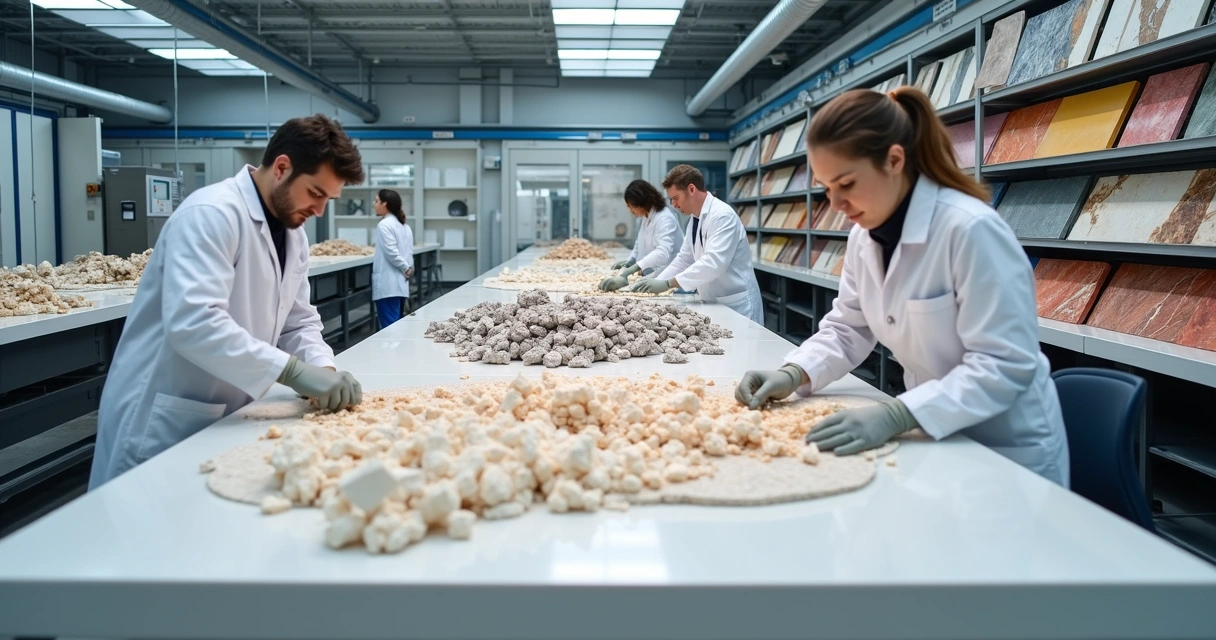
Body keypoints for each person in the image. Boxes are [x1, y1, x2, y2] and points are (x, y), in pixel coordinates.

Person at [735, 87, 1069, 487]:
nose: (836, 204)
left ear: (894, 160)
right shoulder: (865, 235)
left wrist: (899, 414)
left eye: (846, 183)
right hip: (933, 434)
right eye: (826, 187)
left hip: (1005, 447)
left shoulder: (970, 230)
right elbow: (848, 327)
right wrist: (793, 372)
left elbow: (1004, 364)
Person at [89, 114, 366, 490]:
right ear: (282, 167)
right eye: (316, 193)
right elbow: (194, 322)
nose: (320, 211)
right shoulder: (212, 213)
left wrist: (322, 368)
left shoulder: (293, 235)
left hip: (228, 411)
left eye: (329, 200)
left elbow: (297, 321)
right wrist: (293, 372)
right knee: (138, 532)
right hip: (164, 417)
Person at [629, 165, 764, 324]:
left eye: (675, 198)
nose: (673, 204)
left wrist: (668, 283)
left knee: (744, 347)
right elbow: (685, 259)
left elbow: (714, 263)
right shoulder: (694, 220)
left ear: (691, 189)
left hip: (737, 304)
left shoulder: (722, 216)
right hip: (714, 301)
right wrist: (659, 281)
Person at [600, 179, 684, 292]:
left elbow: (663, 252)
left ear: (644, 202)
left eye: (633, 206)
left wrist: (630, 271)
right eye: (628, 206)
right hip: (654, 271)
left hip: (669, 274)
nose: (631, 210)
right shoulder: (646, 216)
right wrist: (631, 261)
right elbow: (639, 242)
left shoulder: (664, 218)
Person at [372, 188, 415, 327]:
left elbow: (391, 251)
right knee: (396, 326)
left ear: (385, 204)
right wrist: (408, 268)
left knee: (389, 329)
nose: (374, 204)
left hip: (388, 285)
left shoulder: (384, 225)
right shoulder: (404, 226)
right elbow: (409, 253)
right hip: (400, 284)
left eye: (377, 201)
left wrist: (405, 267)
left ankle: (390, 349)